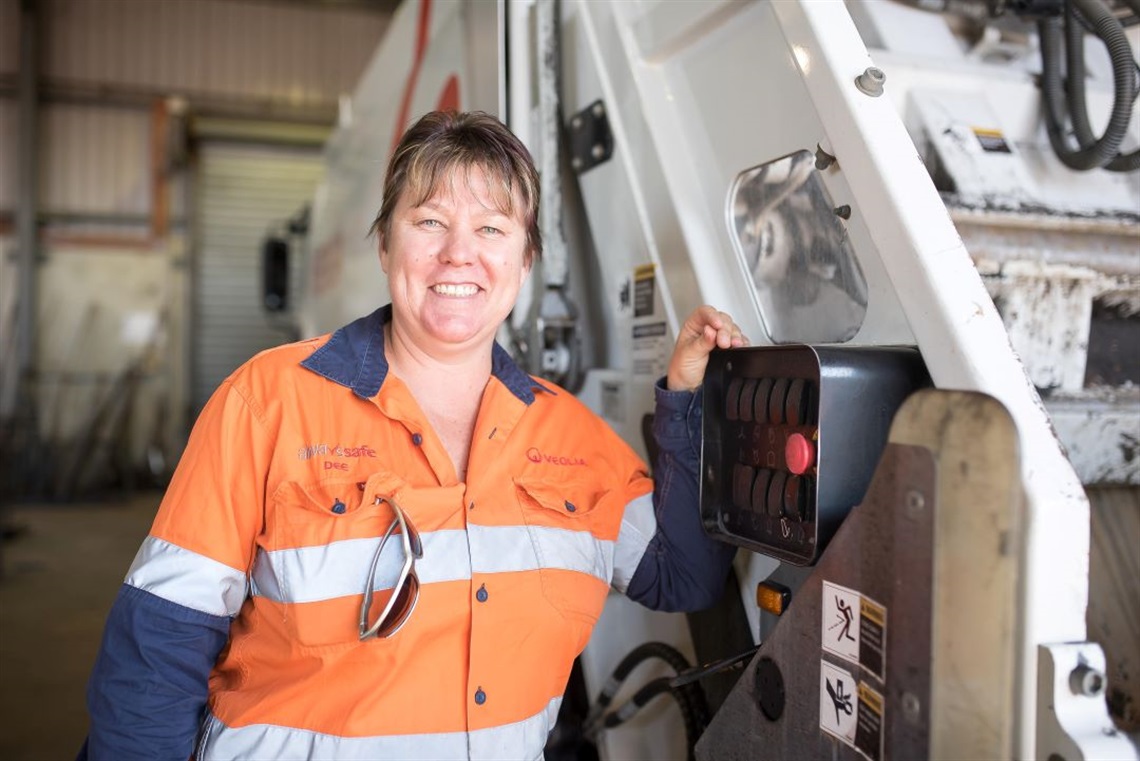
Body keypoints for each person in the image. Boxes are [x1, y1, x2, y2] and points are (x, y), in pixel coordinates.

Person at [82, 110, 747, 760]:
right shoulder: (267, 400)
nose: (459, 253)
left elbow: (681, 577)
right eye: (429, 221)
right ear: (385, 244)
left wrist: (687, 399)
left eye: (491, 227)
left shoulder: (574, 438)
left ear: (524, 263)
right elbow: (155, 651)